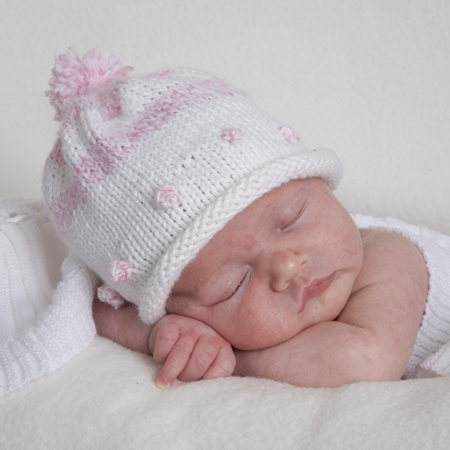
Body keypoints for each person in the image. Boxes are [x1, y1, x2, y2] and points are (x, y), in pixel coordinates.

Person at [3, 48, 449, 397]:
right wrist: (165, 335)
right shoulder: (166, 303)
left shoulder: (390, 257)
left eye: (291, 219)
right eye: (231, 286)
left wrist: (229, 353)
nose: (288, 265)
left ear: (320, 185)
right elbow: (103, 310)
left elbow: (362, 363)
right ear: (180, 309)